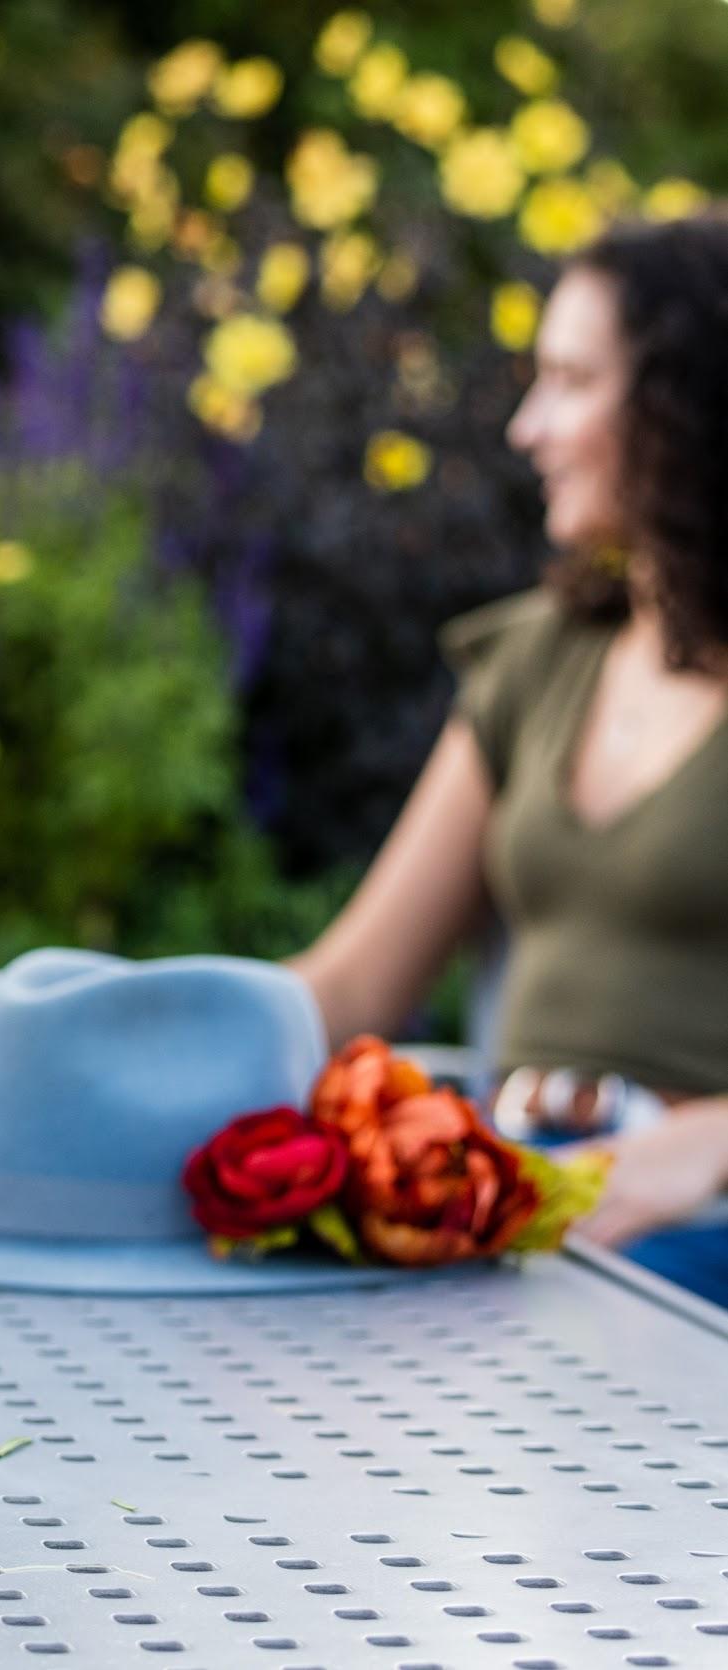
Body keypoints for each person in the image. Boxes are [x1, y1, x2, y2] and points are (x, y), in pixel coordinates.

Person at [291, 213, 728, 1290]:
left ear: (690, 411)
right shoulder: (538, 657)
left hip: (691, 1231)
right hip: (516, 1195)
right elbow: (350, 986)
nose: (529, 427)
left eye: (573, 382)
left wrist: (711, 1141)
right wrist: (92, 1034)